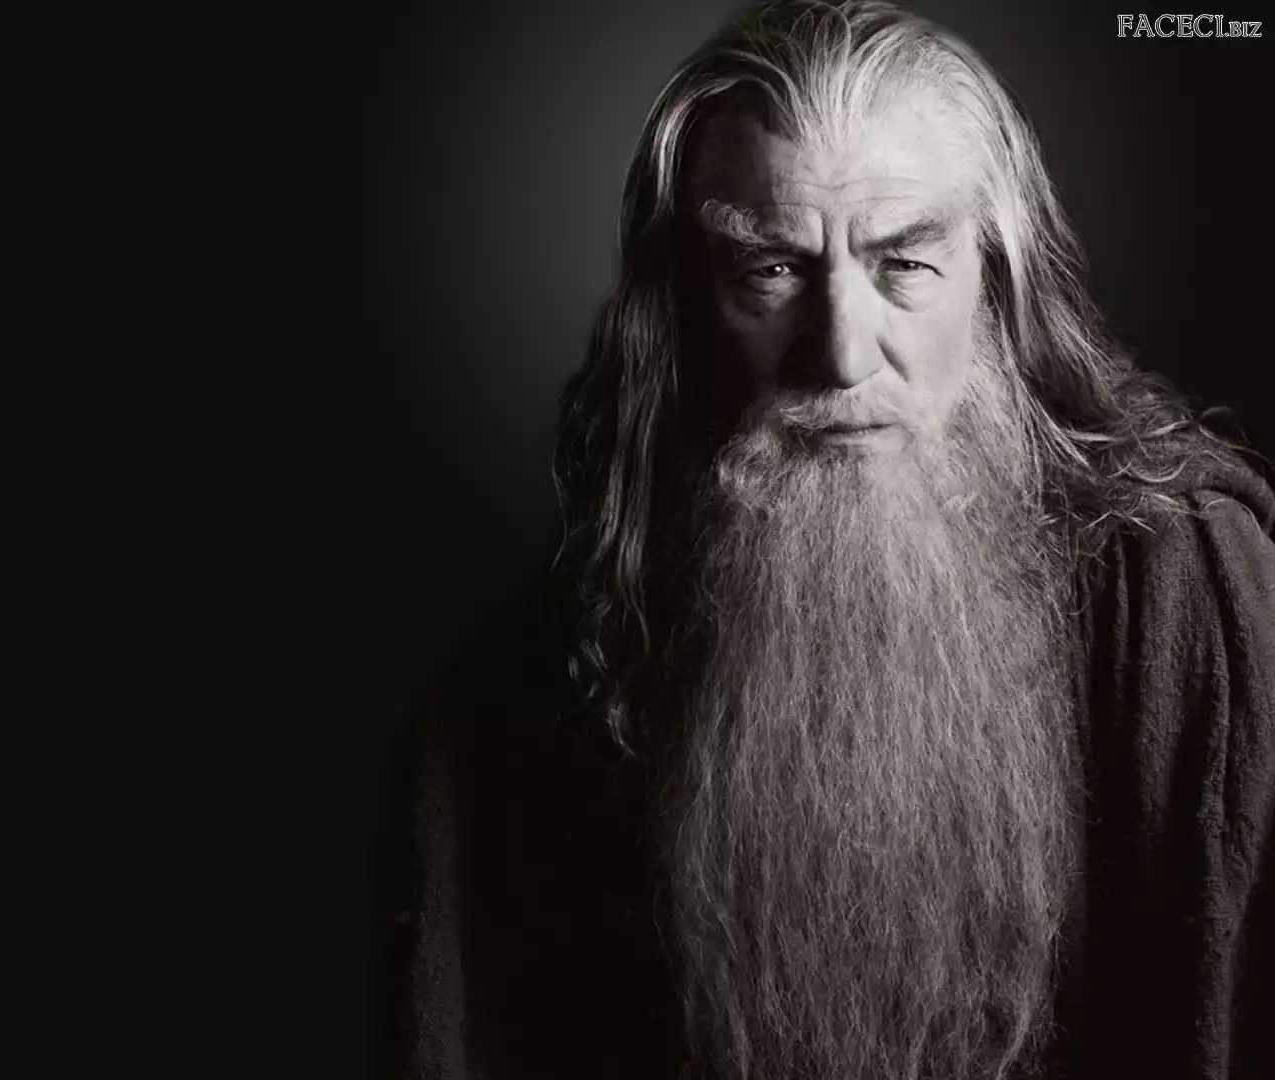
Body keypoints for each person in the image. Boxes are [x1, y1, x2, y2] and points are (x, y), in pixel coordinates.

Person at [378, 2, 1275, 1078]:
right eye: (771, 272)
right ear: (684, 310)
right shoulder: (530, 693)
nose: (843, 356)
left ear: (997, 287)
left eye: (906, 264)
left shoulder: (1190, 601)